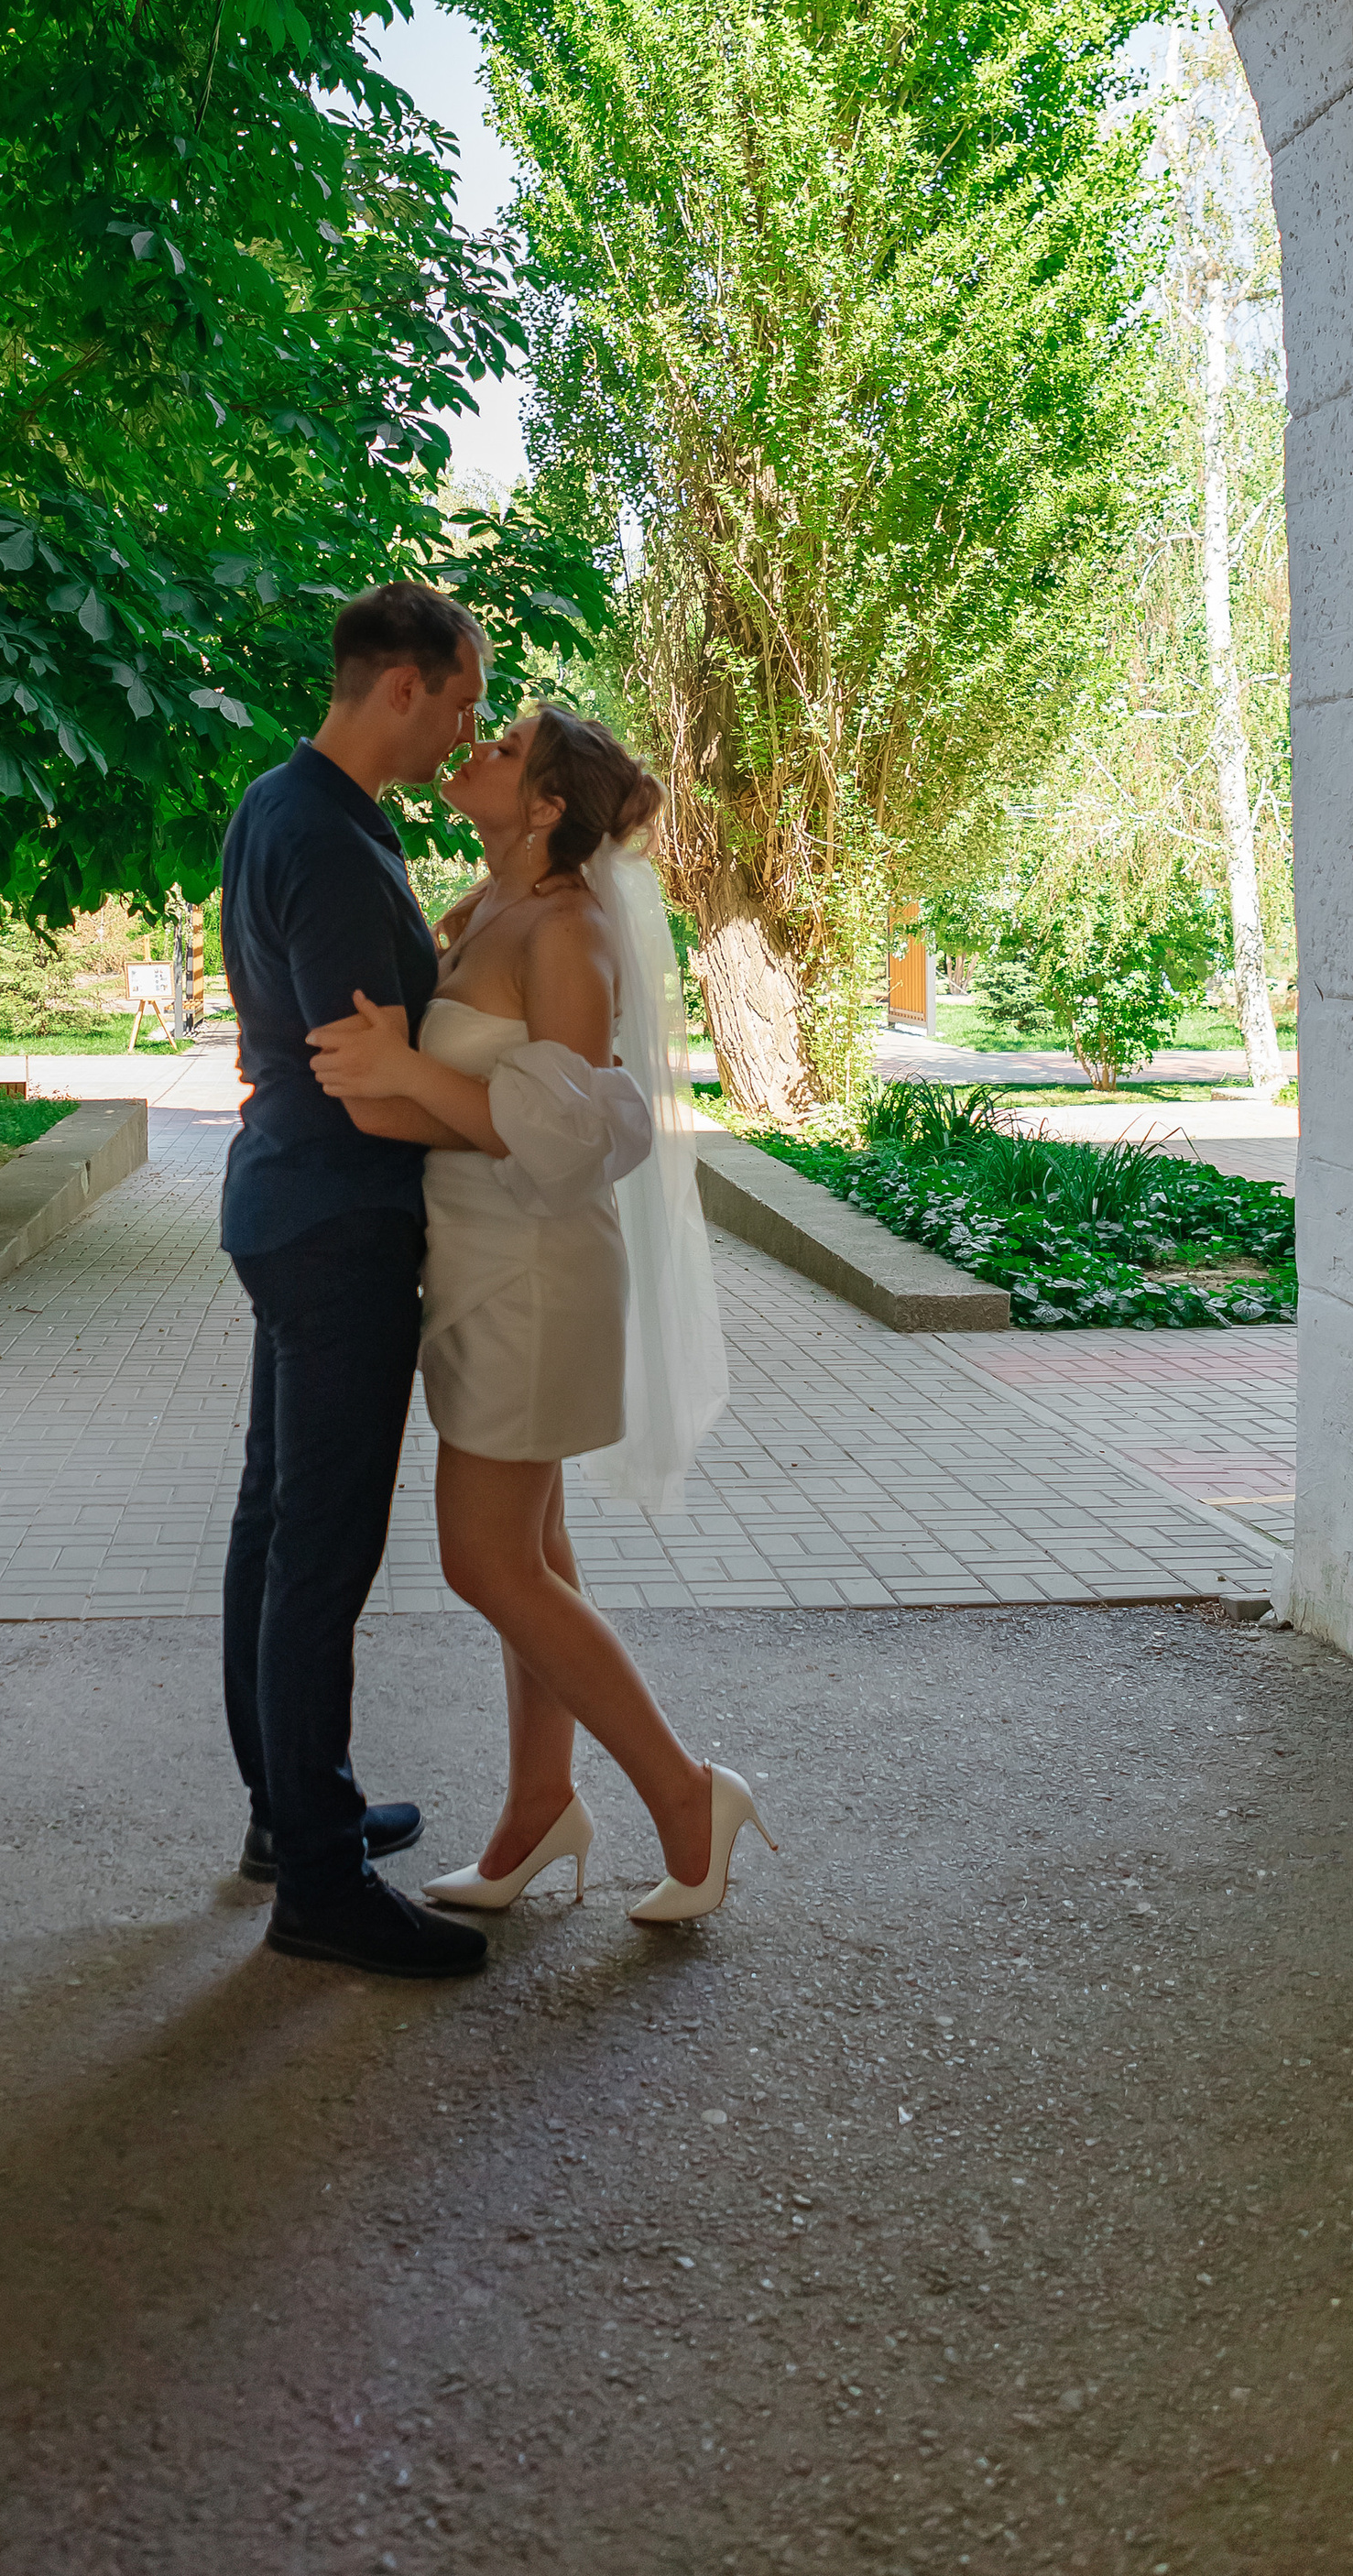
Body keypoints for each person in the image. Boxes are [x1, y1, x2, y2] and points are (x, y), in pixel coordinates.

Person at [307, 706, 772, 1925]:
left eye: (503, 748)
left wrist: (404, 1074)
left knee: (488, 1559)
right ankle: (535, 1813)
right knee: (537, 1555)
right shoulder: (489, 910)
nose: (477, 750)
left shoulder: (567, 928)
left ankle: (685, 1796)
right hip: (480, 1257)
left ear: (550, 805)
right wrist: (376, 1096)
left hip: (535, 1268)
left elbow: (567, 1135)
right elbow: (470, 1111)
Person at [217, 583, 495, 1982]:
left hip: (292, 1204)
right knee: (320, 1550)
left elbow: (341, 1047)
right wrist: (515, 1119)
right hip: (336, 1224)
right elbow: (373, 1092)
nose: (469, 731)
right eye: (463, 703)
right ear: (402, 687)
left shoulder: (291, 804)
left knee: (277, 1527)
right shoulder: (325, 840)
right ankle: (319, 1887)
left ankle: (291, 1816)